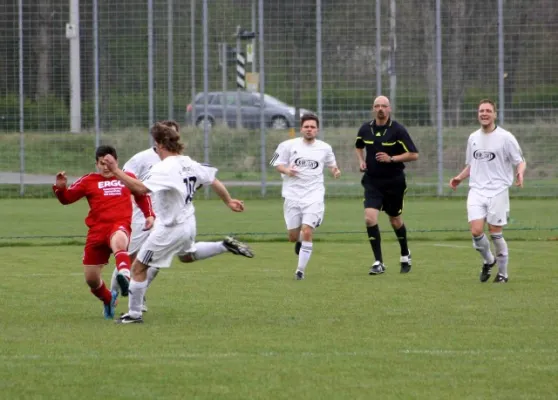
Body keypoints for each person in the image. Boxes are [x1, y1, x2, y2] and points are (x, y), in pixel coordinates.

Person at [103, 122, 250, 324]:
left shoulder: (164, 167)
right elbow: (211, 178)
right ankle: (223, 245)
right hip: (189, 222)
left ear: (160, 145)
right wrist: (228, 200)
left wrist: (115, 169)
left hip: (170, 227)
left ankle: (134, 314)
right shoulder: (188, 162)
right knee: (188, 256)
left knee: (137, 267)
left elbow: (139, 188)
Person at [53, 145, 155, 319]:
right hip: (97, 232)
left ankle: (124, 275)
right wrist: (61, 188)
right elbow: (67, 199)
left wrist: (149, 215)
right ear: (97, 164)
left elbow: (141, 195)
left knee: (119, 240)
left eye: (110, 163)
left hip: (119, 224)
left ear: (116, 162)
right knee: (91, 279)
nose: (106, 167)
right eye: (102, 163)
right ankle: (108, 299)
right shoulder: (88, 180)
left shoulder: (127, 178)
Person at [450, 98, 526, 283]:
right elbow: (472, 164)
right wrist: (459, 177)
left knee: (495, 232)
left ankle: (503, 274)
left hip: (498, 190)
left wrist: (520, 173)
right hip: (476, 190)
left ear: (494, 114)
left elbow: (520, 161)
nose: (484, 114)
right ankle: (488, 260)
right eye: (481, 111)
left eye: (487, 111)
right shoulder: (473, 138)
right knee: (476, 231)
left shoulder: (506, 137)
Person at [270, 113, 341, 280]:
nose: (309, 129)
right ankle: (300, 240)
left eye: (313, 127)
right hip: (292, 195)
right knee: (293, 237)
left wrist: (335, 171)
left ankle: (300, 271)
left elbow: (332, 165)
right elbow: (276, 163)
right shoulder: (287, 145)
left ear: (317, 130)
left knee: (307, 230)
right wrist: (287, 170)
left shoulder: (325, 148)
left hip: (314, 195)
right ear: (301, 128)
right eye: (306, 127)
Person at [355, 95, 419, 275]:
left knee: (395, 220)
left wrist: (392, 158)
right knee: (369, 218)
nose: (380, 109)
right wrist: (361, 161)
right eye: (377, 106)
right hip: (372, 181)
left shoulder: (398, 130)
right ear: (373, 108)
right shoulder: (365, 129)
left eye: (384, 106)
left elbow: (414, 154)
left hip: (394, 182)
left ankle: (405, 253)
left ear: (389, 109)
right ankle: (378, 262)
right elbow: (359, 146)